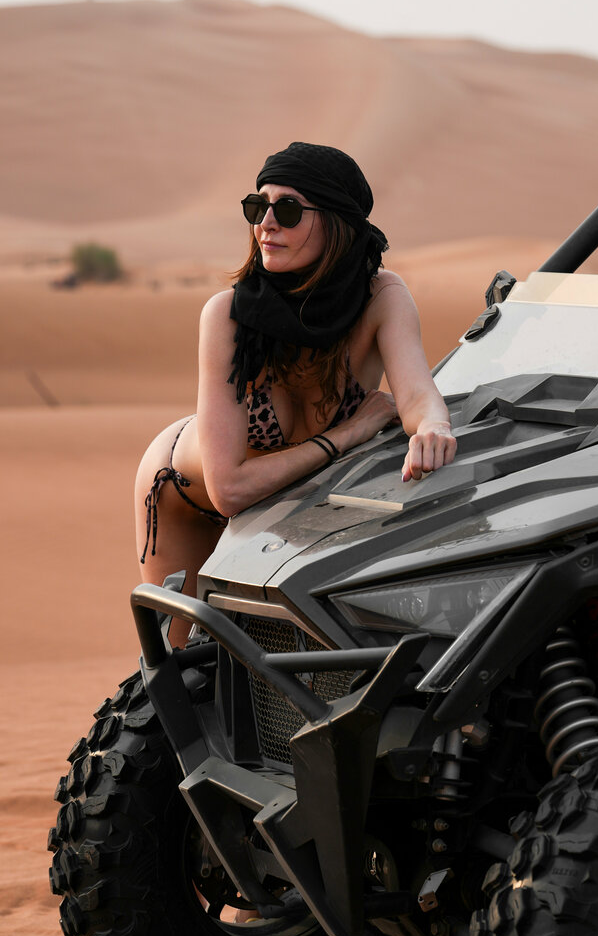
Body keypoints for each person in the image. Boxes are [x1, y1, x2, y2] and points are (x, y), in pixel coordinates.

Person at [134, 142, 456, 644]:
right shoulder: (226, 315)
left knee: (289, 659)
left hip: (290, 498)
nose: (266, 223)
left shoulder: (382, 297)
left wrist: (434, 427)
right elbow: (228, 491)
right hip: (187, 498)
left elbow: (415, 396)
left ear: (336, 222)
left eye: (287, 210)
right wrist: (347, 434)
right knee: (182, 669)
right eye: (257, 207)